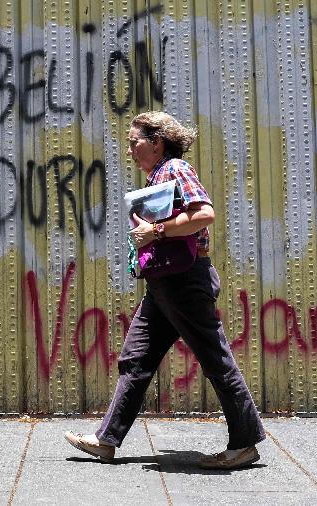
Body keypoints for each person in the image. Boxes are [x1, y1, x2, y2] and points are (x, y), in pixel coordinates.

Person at [64, 111, 265, 469]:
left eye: (134, 141)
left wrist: (155, 232)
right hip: (165, 283)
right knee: (136, 359)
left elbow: (205, 214)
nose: (129, 150)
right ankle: (106, 439)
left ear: (156, 143)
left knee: (216, 360)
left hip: (185, 282)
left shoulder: (175, 169)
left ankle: (245, 443)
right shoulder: (159, 175)